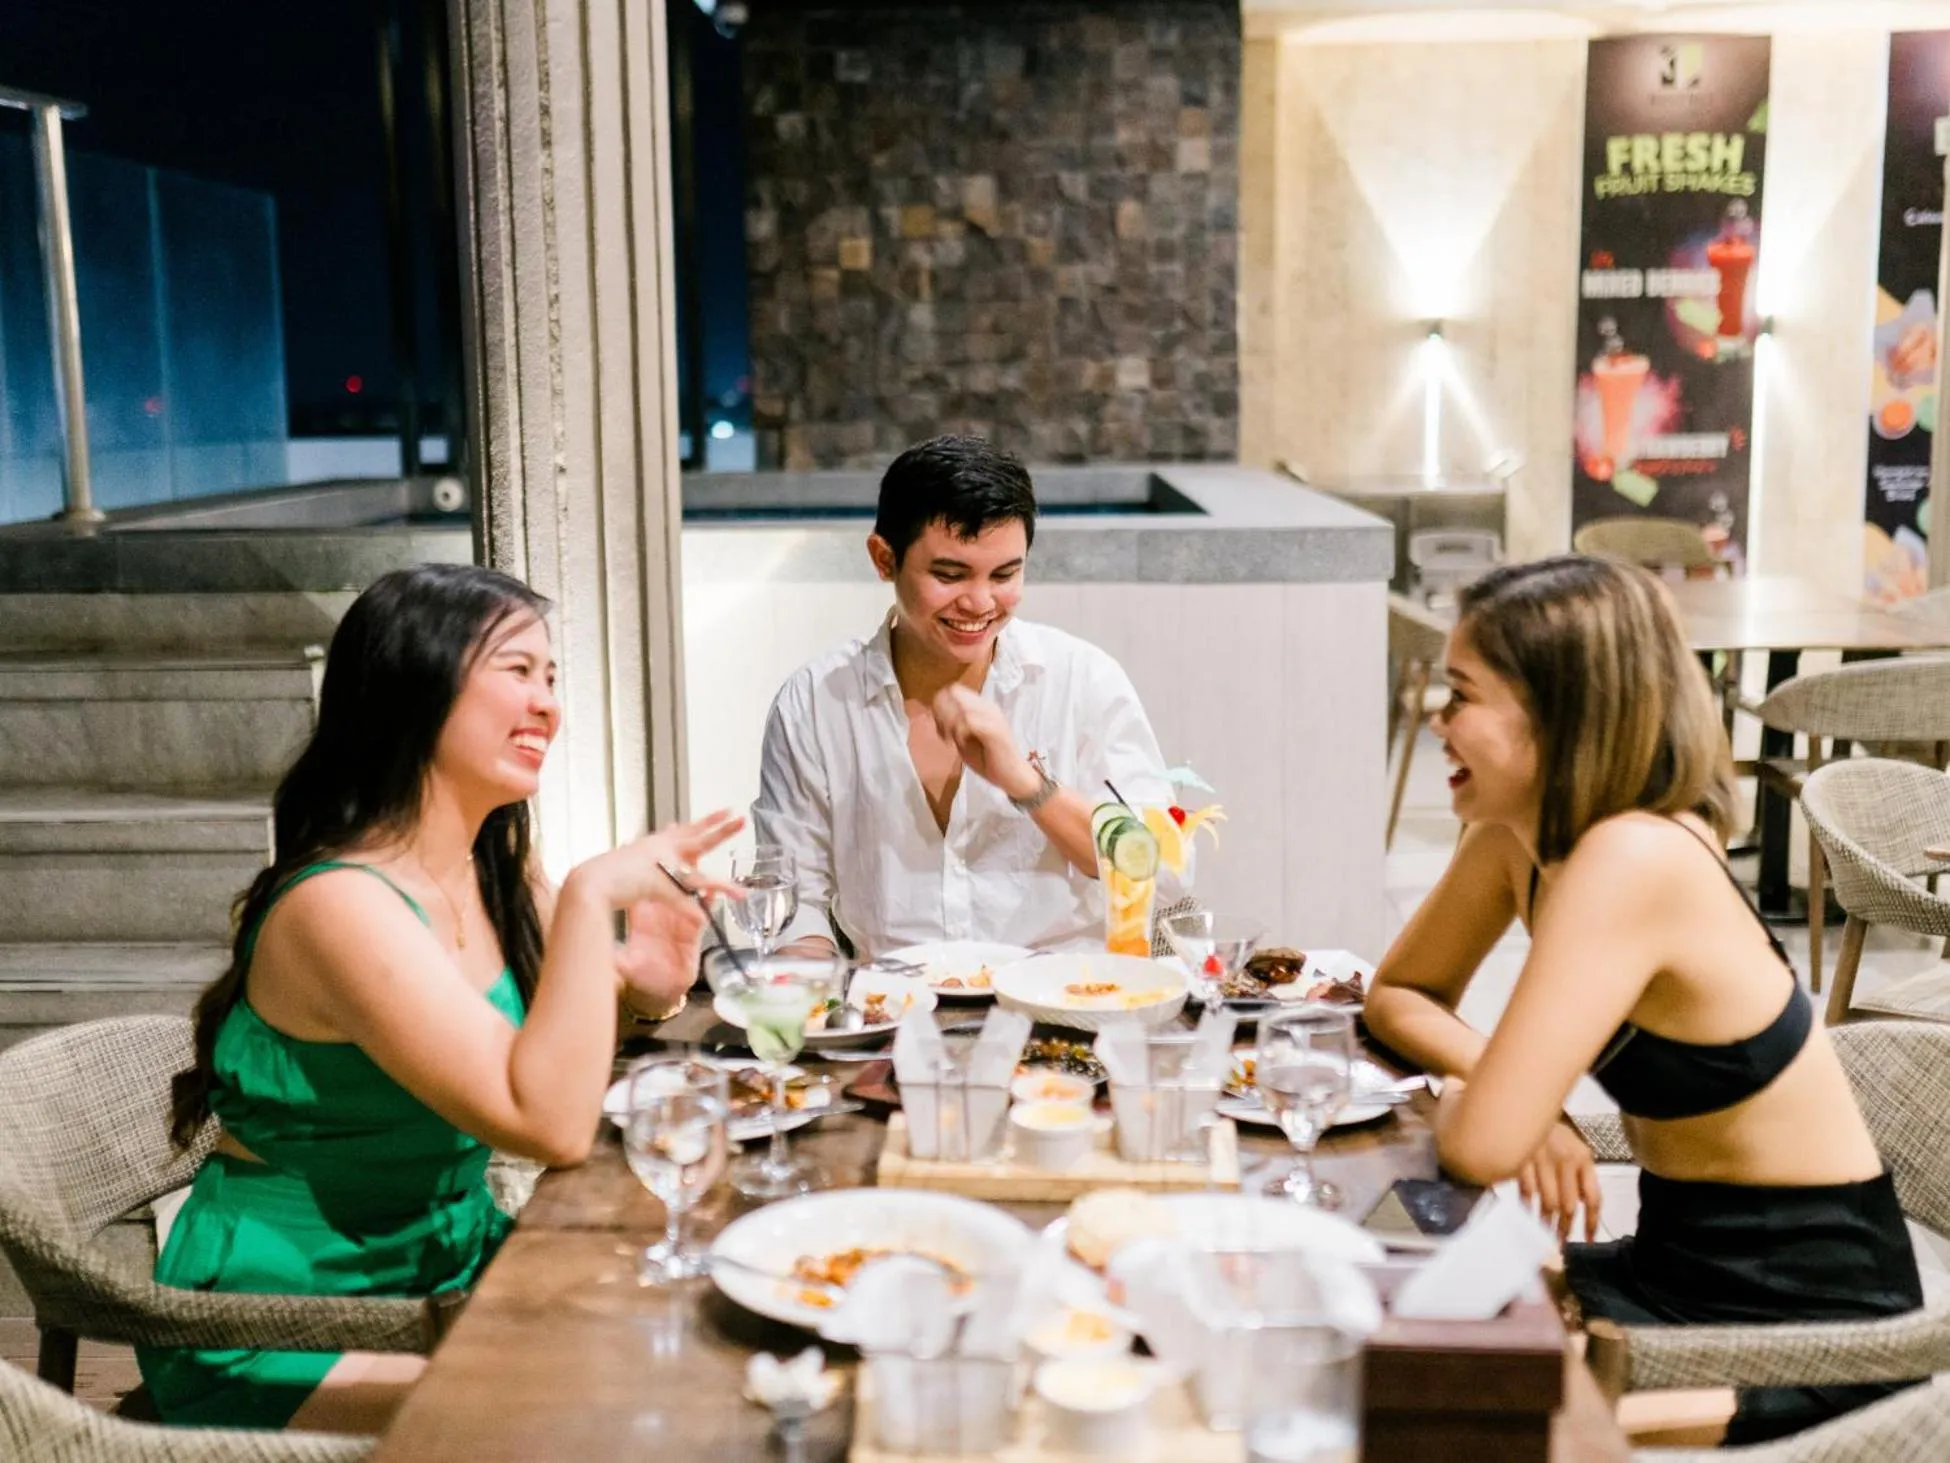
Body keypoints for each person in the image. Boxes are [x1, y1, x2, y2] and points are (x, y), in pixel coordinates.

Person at [141, 564, 741, 1433]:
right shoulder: (337, 906)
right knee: (615, 1408)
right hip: (285, 1313)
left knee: (702, 1324)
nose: (546, 704)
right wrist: (588, 899)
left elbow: (546, 1067)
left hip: (446, 1260)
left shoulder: (494, 868)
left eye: (550, 677)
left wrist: (641, 990)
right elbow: (548, 1125)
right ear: (413, 686)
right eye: (515, 670)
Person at [1363, 555, 1922, 1447]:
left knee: (1449, 1406)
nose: (1433, 719)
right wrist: (1510, 1089)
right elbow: (1396, 995)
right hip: (1669, 1273)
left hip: (1807, 1339)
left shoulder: (1634, 857)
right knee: (1386, 1314)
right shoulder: (1520, 835)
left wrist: (1512, 1105)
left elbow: (1476, 1144)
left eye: (1460, 695)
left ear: (1554, 712)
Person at [753, 435, 1180, 957]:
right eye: (948, 575)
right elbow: (796, 904)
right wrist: (816, 1008)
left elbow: (1151, 862)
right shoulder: (815, 704)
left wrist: (1026, 783)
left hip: (1065, 1003)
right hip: (893, 1011)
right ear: (883, 559)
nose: (979, 602)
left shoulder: (1082, 680)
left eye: (1005, 574)